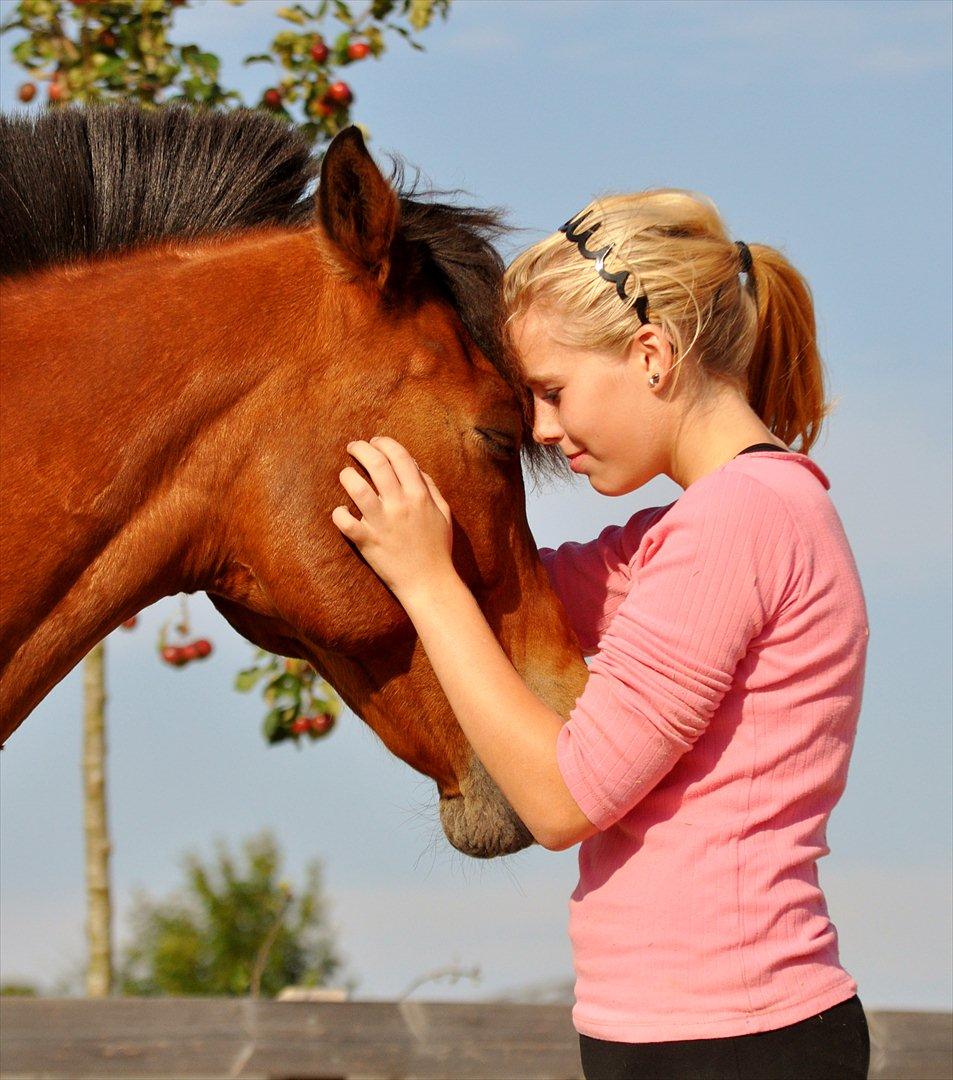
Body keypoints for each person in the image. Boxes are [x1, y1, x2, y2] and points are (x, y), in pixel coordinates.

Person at [331, 189, 870, 1080]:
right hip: (674, 1033)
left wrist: (425, 581)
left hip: (735, 1042)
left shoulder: (739, 524)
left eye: (551, 393)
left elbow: (563, 799)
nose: (543, 431)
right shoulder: (682, 536)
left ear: (651, 355)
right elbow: (511, 594)